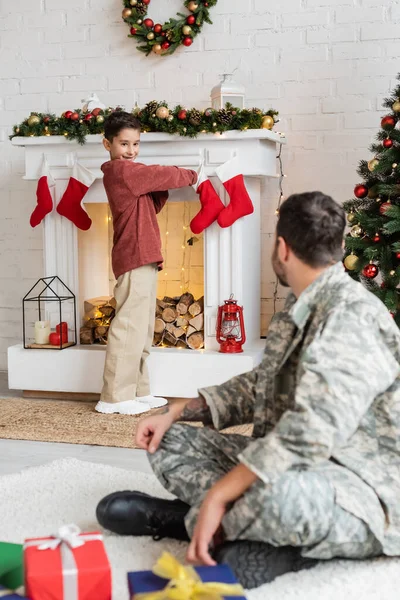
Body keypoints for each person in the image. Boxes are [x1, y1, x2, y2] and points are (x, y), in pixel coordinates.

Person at [96, 191, 400, 588]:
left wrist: (222, 493)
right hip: (290, 462)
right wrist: (176, 411)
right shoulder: (300, 305)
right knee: (168, 442)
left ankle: (200, 521)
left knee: (279, 495)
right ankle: (229, 527)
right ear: (341, 246)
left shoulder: (352, 317)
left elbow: (311, 432)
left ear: (282, 248)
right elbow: (260, 384)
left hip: (361, 488)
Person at [95, 111, 197, 415]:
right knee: (128, 327)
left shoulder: (131, 176)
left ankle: (137, 390)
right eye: (124, 144)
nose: (131, 151)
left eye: (136, 144)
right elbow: (162, 175)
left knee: (140, 329)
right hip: (134, 255)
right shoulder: (121, 171)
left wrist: (159, 187)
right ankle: (113, 397)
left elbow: (153, 200)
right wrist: (193, 174)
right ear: (107, 144)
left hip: (145, 255)